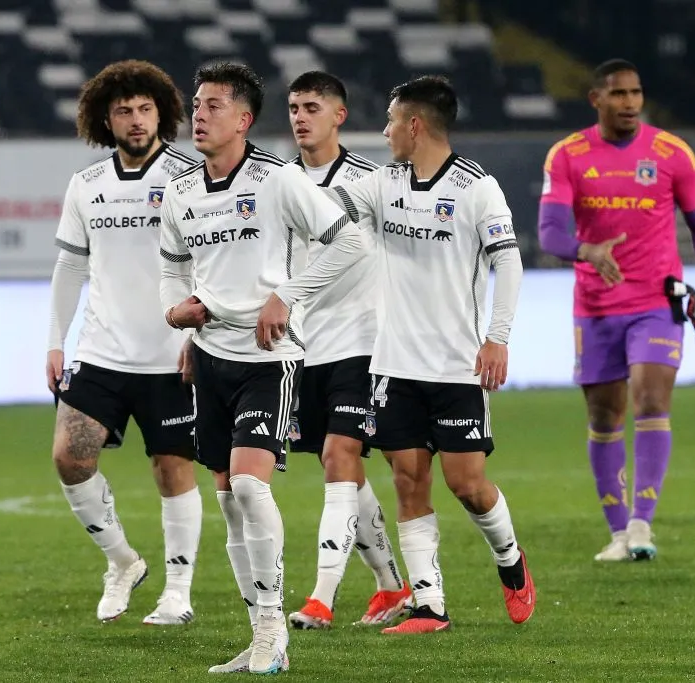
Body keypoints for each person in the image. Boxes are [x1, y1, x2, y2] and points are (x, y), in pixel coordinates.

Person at [159, 62, 369, 673]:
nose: (199, 115)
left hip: (269, 358)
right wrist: (175, 311)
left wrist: (289, 295)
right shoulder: (180, 191)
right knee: (227, 498)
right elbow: (173, 265)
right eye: (197, 104)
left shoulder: (277, 181)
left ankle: (275, 627)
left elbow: (349, 242)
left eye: (214, 105)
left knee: (251, 486)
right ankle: (257, 635)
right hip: (212, 357)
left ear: (245, 120)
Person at [328, 75, 536, 634]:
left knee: (467, 483)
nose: (387, 130)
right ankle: (430, 606)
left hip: (455, 364)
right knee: (408, 482)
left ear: (415, 125)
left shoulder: (476, 188)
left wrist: (498, 336)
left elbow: (508, 263)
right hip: (393, 364)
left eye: (393, 120)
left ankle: (511, 561)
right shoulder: (382, 183)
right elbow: (327, 208)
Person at [538, 59, 695, 562]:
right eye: (619, 94)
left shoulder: (671, 152)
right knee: (605, 415)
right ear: (595, 99)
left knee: (650, 400)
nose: (630, 103)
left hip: (656, 302)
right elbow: (550, 233)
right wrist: (588, 252)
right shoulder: (567, 156)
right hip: (596, 306)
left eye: (636, 92)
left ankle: (643, 524)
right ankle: (619, 531)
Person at [46, 60, 202, 625]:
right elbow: (69, 266)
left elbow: (212, 261)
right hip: (103, 351)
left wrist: (202, 333)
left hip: (172, 355)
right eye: (123, 111)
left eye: (144, 109)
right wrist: (55, 343)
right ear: (103, 120)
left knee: (172, 469)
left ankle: (178, 592)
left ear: (162, 112)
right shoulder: (86, 185)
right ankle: (122, 561)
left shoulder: (191, 177)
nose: (135, 120)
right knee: (69, 457)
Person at [282, 71, 409, 631]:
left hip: (363, 341)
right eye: (292, 107)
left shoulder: (374, 181)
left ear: (340, 115)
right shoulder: (277, 182)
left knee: (339, 457)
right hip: (302, 347)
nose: (300, 117)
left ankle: (322, 597)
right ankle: (390, 586)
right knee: (343, 469)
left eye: (312, 106)